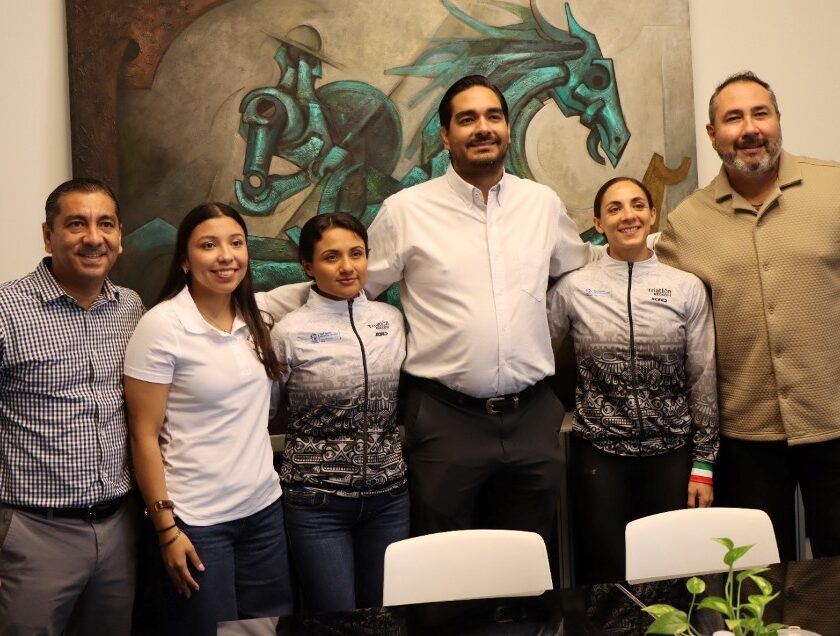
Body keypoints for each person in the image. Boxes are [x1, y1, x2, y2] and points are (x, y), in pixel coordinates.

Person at [363, 75, 598, 545]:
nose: (483, 128)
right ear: (446, 136)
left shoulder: (541, 204)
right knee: (446, 564)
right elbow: (354, 288)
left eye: (493, 116)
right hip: (446, 421)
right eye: (467, 119)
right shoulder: (405, 211)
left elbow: (581, 269)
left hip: (532, 419)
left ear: (507, 129)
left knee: (529, 563)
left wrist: (645, 254)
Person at [657, 71, 840, 561]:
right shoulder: (686, 223)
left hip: (834, 420)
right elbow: (669, 328)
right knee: (759, 577)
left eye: (760, 113)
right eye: (733, 118)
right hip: (746, 434)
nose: (750, 128)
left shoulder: (834, 187)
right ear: (712, 133)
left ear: (778, 119)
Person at [123, 203, 292, 635]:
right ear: (185, 258)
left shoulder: (256, 319)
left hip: (263, 511)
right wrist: (166, 529)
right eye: (209, 245)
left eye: (236, 243)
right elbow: (143, 435)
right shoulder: (162, 326)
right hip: (197, 521)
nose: (226, 256)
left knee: (261, 630)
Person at [547, 177, 718, 584]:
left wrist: (704, 464)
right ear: (598, 223)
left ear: (653, 215)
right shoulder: (574, 287)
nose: (628, 216)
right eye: (615, 208)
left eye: (638, 205)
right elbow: (533, 354)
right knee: (605, 577)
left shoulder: (685, 287)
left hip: (671, 455)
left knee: (673, 577)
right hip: (599, 457)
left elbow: (703, 376)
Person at [0, 178, 144, 634]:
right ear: (49, 235)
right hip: (33, 534)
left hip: (119, 528)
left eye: (106, 224)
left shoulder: (130, 308)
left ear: (119, 235)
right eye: (77, 224)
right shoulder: (6, 309)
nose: (93, 238)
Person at [272, 212, 408, 613]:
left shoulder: (391, 321)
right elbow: (268, 409)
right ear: (308, 266)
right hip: (317, 502)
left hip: (389, 499)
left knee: (386, 617)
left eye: (356, 253)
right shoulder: (288, 332)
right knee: (334, 620)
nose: (347, 267)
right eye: (332, 257)